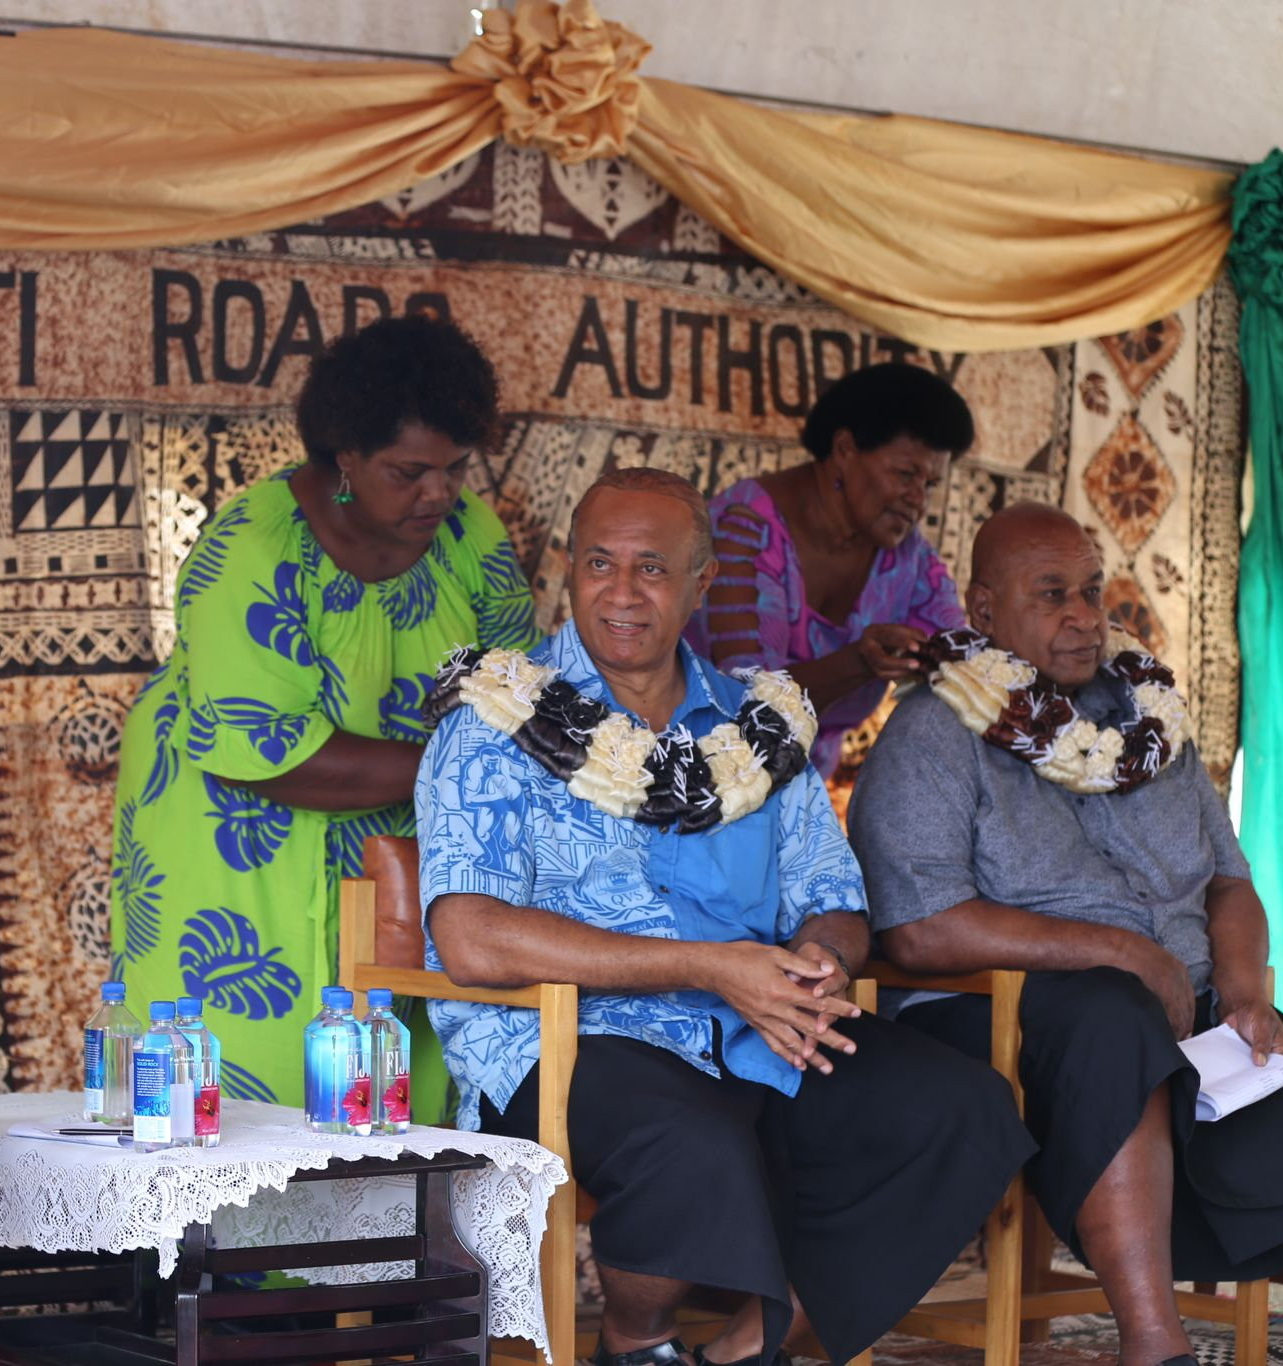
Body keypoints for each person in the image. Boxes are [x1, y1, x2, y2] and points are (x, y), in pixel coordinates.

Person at [418, 467, 1032, 1366]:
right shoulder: (497, 717)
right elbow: (469, 937)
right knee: (690, 1141)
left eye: (652, 569)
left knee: (960, 1108)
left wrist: (820, 962)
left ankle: (755, 1340)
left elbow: (833, 897)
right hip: (570, 1041)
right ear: (570, 572)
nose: (621, 593)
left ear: (701, 583)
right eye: (598, 563)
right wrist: (711, 966)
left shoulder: (760, 726)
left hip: (754, 1024)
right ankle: (636, 1342)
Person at [851, 503, 1283, 1366]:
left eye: (1091, 591)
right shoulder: (932, 734)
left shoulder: (1148, 720)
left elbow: (1230, 883)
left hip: (1182, 1001)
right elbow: (918, 930)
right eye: (1051, 594)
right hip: (1002, 1013)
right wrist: (1124, 952)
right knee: (1111, 1016)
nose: (1085, 615)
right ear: (983, 609)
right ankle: (1153, 1345)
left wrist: (1244, 990)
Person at [109, 314, 540, 1107]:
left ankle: (390, 1238)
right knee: (253, 1085)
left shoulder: (468, 534)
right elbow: (274, 754)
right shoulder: (253, 550)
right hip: (238, 844)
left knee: (398, 1086)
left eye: (454, 467)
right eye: (409, 471)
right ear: (345, 455)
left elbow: (518, 689)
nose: (439, 492)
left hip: (398, 848)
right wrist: (456, 768)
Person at [686, 362, 974, 776]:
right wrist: (858, 662)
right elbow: (749, 705)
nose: (920, 502)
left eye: (929, 485)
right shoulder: (740, 534)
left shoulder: (911, 563)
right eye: (906, 474)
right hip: (695, 775)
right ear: (844, 450)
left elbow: (965, 662)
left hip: (803, 789)